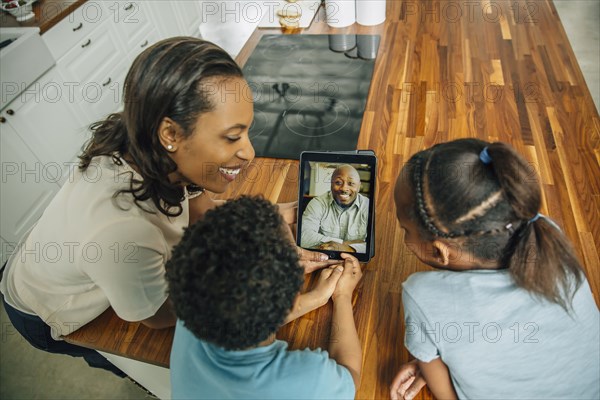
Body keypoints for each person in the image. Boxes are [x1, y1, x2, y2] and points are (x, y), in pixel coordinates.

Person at [0, 38, 335, 376]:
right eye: (232, 137)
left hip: (80, 256)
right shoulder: (122, 232)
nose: (249, 152)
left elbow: (200, 210)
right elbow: (159, 315)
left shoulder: (150, 141)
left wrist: (273, 215)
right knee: (130, 361)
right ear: (170, 133)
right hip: (46, 307)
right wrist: (263, 276)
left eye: (246, 131)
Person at [390, 139, 599, 399]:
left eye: (404, 229)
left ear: (440, 251)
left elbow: (448, 395)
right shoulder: (546, 232)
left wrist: (430, 363)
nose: (404, 236)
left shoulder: (421, 294)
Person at [166, 196, 363, 399]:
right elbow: (350, 374)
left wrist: (315, 297)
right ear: (291, 297)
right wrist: (342, 296)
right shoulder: (310, 378)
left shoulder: (193, 304)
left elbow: (243, 313)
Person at [301, 164, 369, 253]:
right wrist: (341, 244)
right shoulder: (318, 203)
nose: (344, 188)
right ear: (331, 184)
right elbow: (304, 237)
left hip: (358, 260)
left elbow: (372, 245)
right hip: (323, 257)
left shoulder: (367, 206)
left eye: (351, 183)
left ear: (359, 187)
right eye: (338, 182)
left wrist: (347, 248)